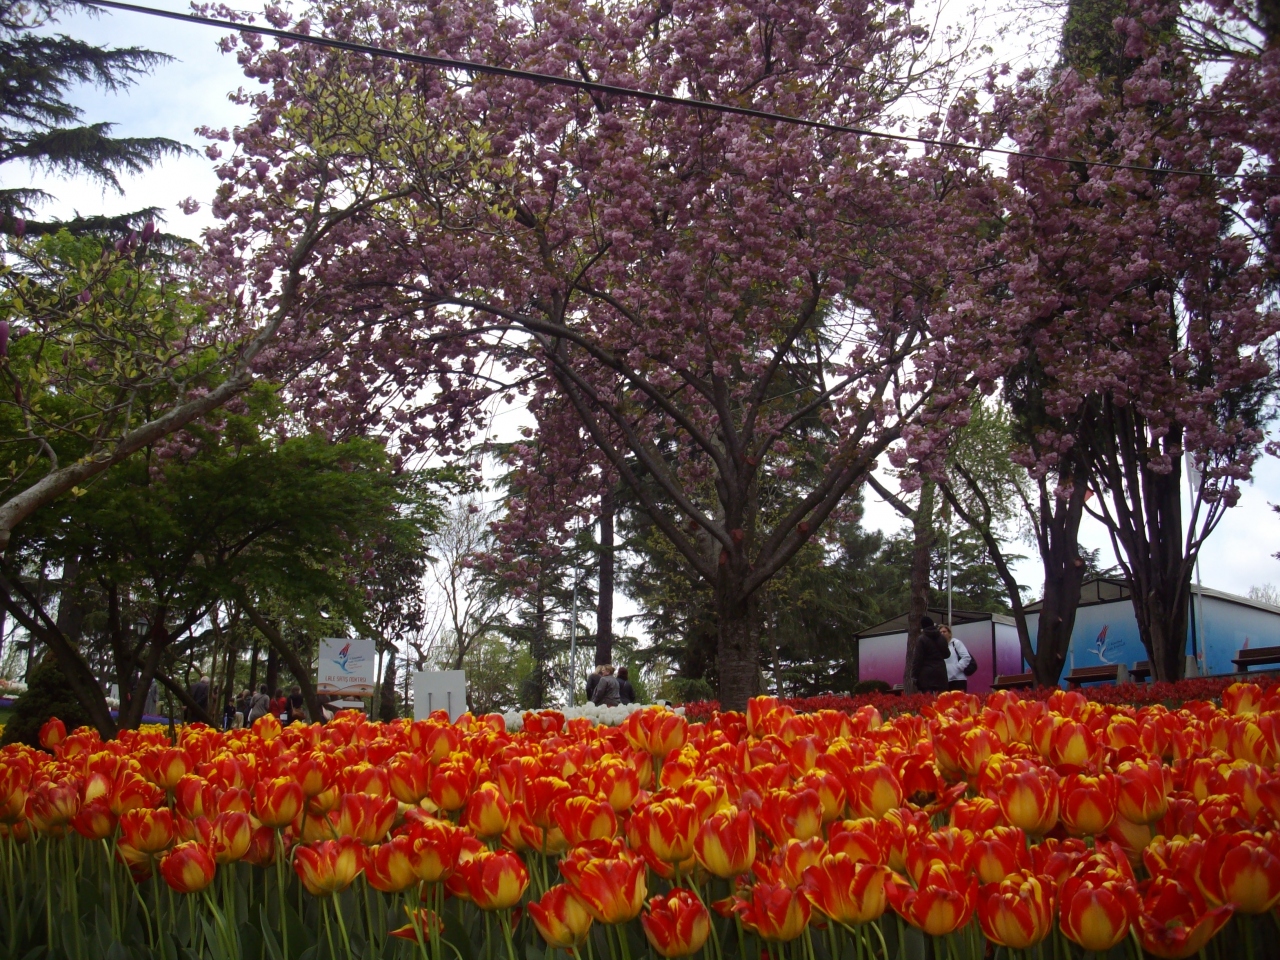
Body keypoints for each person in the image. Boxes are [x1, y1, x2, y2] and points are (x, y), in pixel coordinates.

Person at [910, 616, 950, 693]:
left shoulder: (921, 639)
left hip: (926, 674)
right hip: (941, 673)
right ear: (932, 624)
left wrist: (914, 676)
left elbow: (917, 659)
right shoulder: (942, 638)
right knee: (941, 700)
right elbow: (947, 655)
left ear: (923, 626)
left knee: (928, 700)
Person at [941, 624, 974, 692]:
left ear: (949, 633)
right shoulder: (939, 646)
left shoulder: (956, 643)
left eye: (944, 632)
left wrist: (958, 667)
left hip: (958, 679)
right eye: (940, 632)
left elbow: (966, 657)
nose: (942, 634)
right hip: (945, 681)